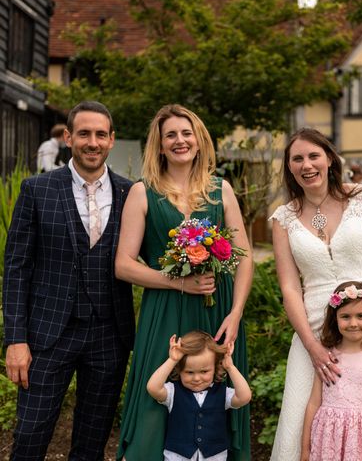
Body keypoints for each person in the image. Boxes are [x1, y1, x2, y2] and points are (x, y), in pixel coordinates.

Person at [115, 104, 253, 460]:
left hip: (216, 308)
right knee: (155, 402)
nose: (180, 141)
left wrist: (235, 314)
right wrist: (178, 283)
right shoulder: (142, 192)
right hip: (165, 310)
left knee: (217, 399)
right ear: (159, 146)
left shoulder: (221, 190)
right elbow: (123, 265)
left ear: (199, 139)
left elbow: (244, 256)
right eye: (171, 135)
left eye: (186, 133)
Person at [269, 127, 362, 460]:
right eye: (297, 159)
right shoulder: (284, 219)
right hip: (315, 322)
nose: (307, 165)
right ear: (290, 167)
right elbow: (290, 286)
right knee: (298, 409)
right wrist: (311, 344)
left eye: (314, 155)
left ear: (330, 159)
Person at [3, 100, 135, 460]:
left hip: (110, 335)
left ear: (111, 140)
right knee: (30, 437)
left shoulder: (131, 193)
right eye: (84, 134)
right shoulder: (37, 189)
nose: (92, 142)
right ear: (68, 137)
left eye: (100, 135)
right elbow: (17, 268)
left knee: (91, 444)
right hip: (47, 335)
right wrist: (15, 340)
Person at [301, 281, 362, 461]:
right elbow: (314, 402)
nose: (353, 323)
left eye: (361, 316)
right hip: (328, 438)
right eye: (345, 316)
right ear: (335, 318)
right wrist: (305, 449)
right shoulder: (326, 356)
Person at [147, 331, 251, 461]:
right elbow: (153, 388)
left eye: (204, 371)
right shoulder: (173, 392)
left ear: (215, 368)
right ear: (179, 370)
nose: (196, 378)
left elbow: (244, 397)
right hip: (178, 456)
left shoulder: (223, 393)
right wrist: (172, 360)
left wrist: (230, 367)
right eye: (189, 372)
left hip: (214, 456)